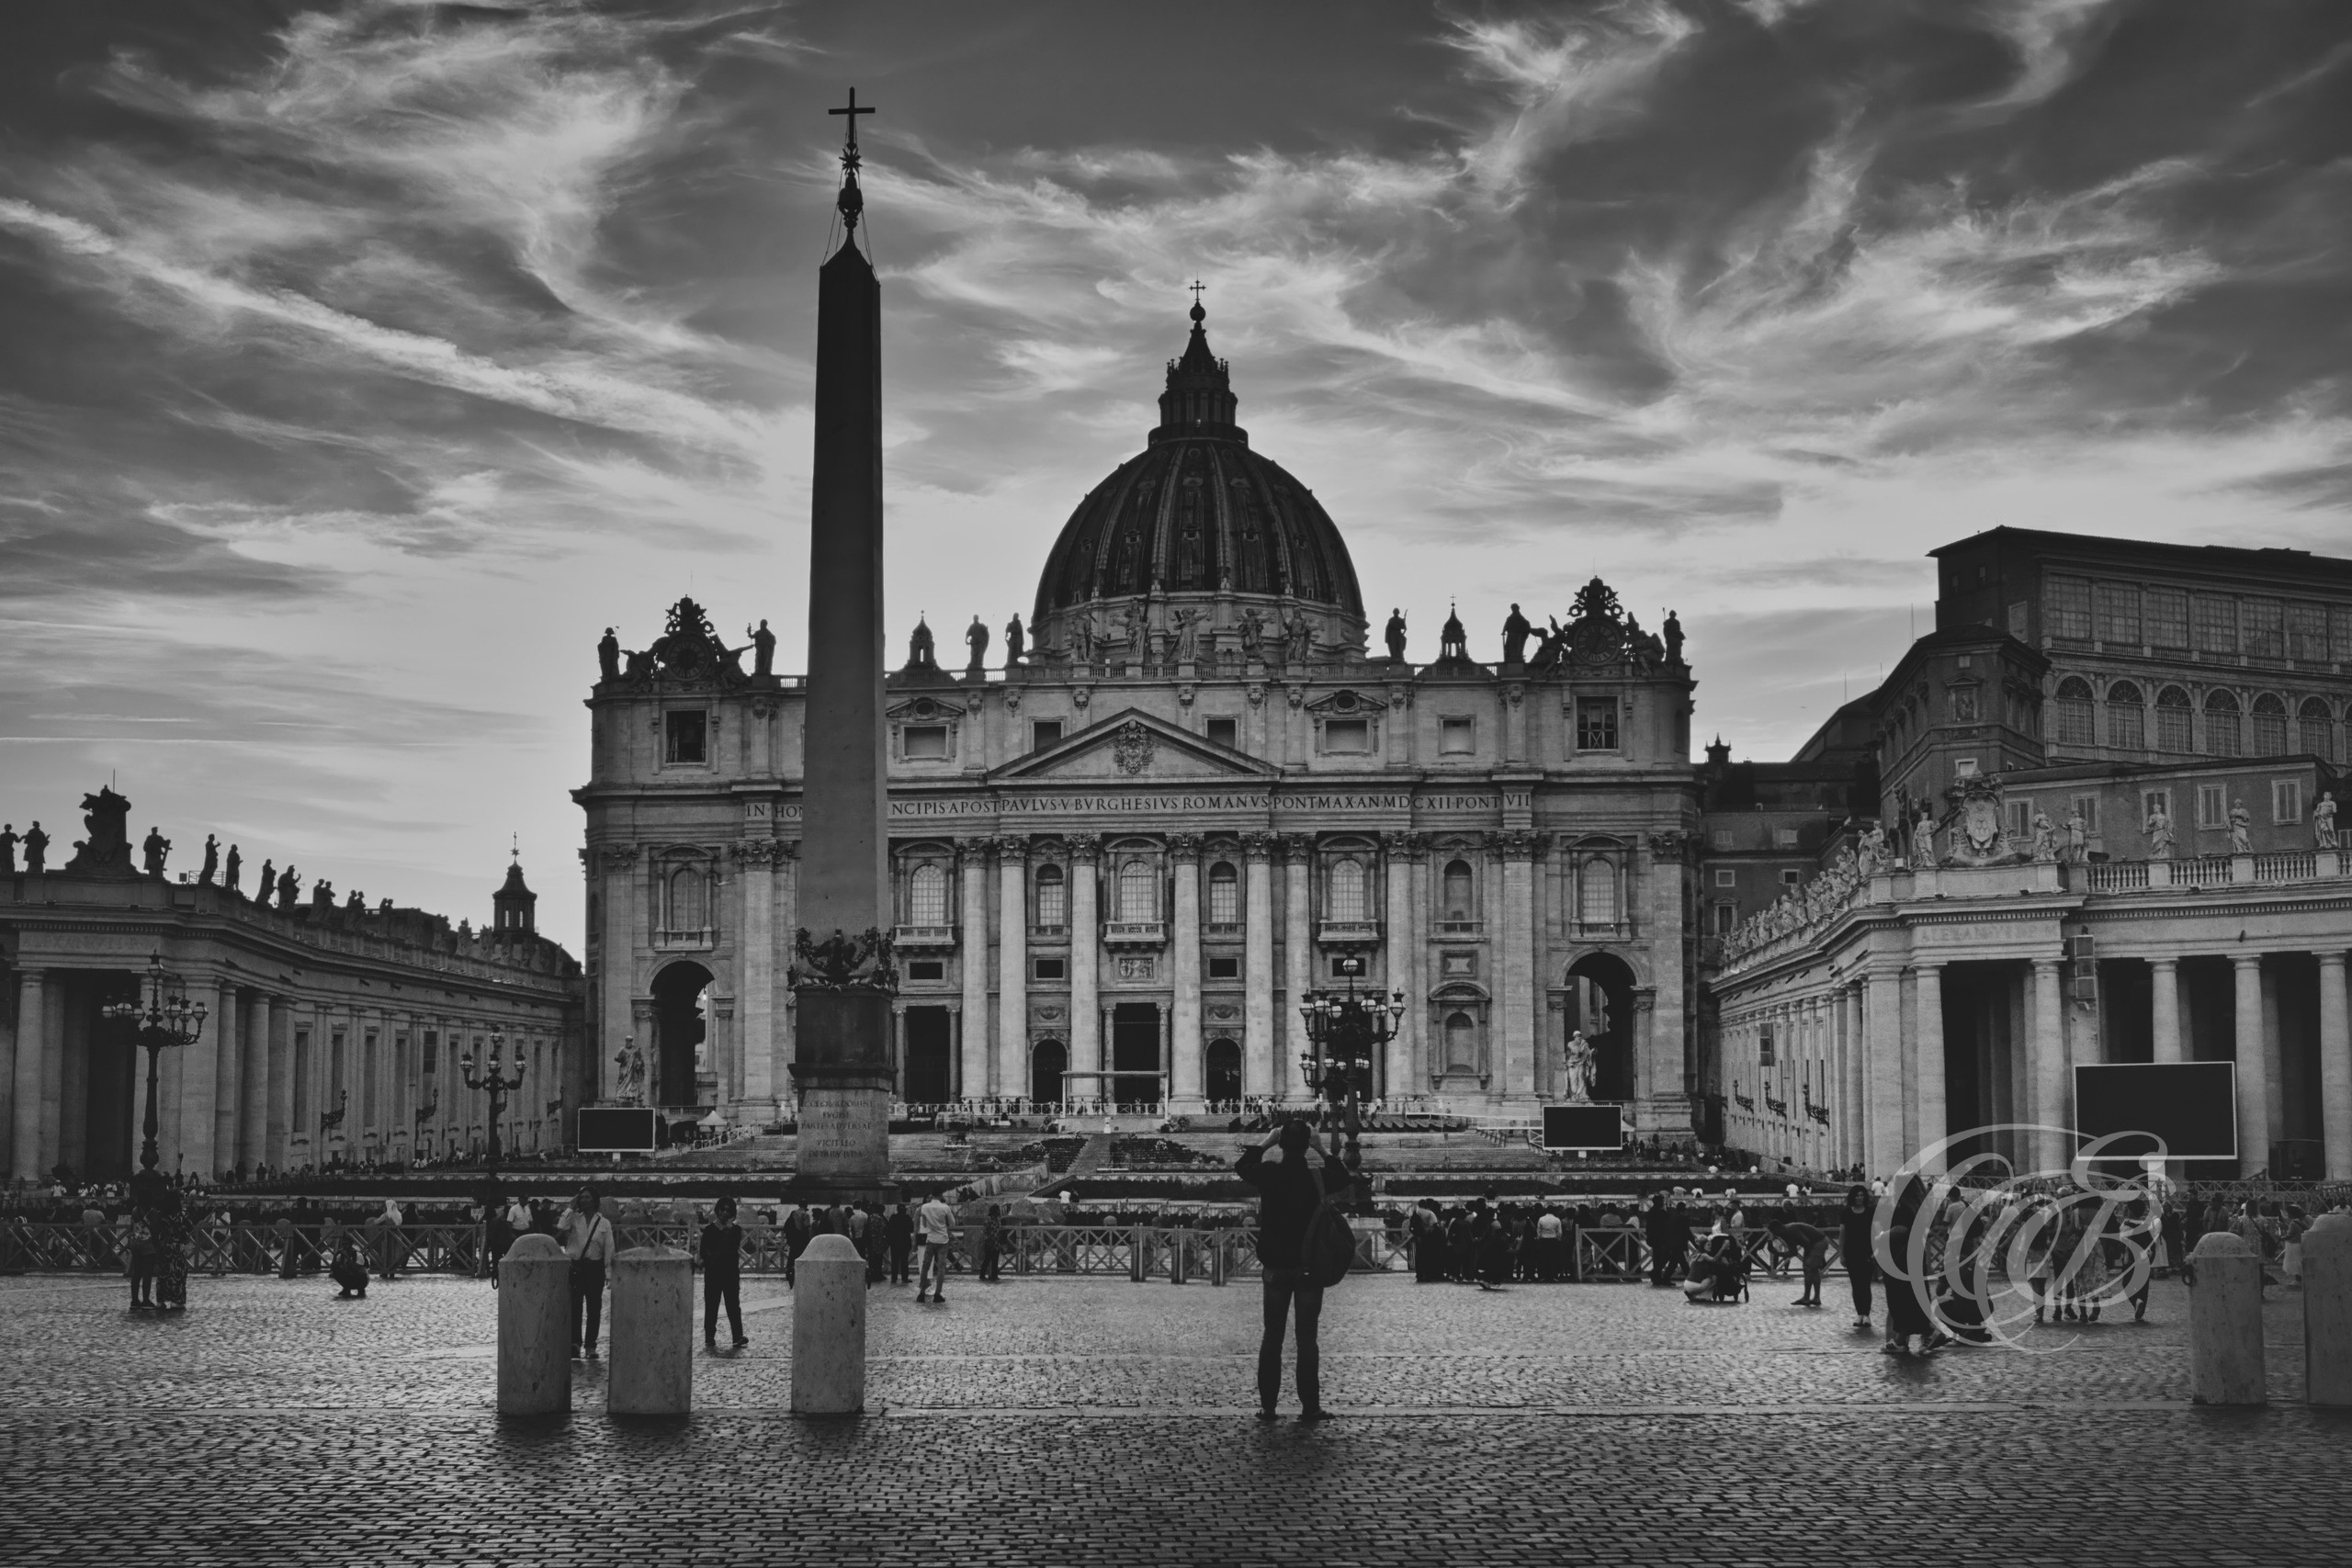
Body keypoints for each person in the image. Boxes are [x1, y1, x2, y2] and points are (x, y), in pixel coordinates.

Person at [1234, 1118, 1352, 1421]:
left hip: (1275, 1267)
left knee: (1271, 1337)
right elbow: (1343, 1174)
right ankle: (1310, 1407)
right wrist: (1322, 1148)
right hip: (1308, 1267)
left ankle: (1268, 1407)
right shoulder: (1318, 1177)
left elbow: (1242, 1166)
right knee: (1307, 1339)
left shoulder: (1270, 1174)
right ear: (1306, 1146)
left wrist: (1267, 1142)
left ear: (1282, 1144)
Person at [560, 1187, 616, 1359]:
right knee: (575, 1307)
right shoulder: (574, 1219)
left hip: (594, 1268)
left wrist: (609, 1274)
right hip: (576, 1267)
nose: (584, 1200)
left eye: (587, 1197)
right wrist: (571, 1206)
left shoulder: (604, 1223)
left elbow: (609, 1249)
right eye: (581, 1198)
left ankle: (591, 1345)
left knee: (594, 1308)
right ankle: (575, 1343)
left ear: (595, 1200)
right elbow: (561, 1225)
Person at [699, 1197, 748, 1349]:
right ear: (717, 1210)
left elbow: (733, 1248)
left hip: (731, 1273)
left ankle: (737, 1336)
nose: (725, 1213)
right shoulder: (709, 1230)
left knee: (733, 1305)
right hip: (713, 1273)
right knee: (711, 1305)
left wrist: (728, 1229)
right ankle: (709, 1336)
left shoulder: (735, 1230)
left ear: (732, 1213)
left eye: (728, 1210)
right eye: (722, 1209)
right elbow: (703, 1252)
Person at [1768, 1217, 1827, 1307]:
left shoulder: (1790, 1230)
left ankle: (1807, 1298)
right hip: (1819, 1241)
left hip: (1818, 1242)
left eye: (1774, 1232)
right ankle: (1815, 1298)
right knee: (1812, 1270)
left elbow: (1807, 1242)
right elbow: (1793, 1252)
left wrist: (1808, 1260)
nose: (1775, 1235)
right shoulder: (1785, 1233)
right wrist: (1777, 1254)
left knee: (1808, 1269)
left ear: (1779, 1228)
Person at [1838, 1185, 1875, 1330]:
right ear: (1852, 1197)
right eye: (1857, 1195)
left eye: (1862, 1195)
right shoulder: (1846, 1212)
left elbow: (1876, 1232)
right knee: (1855, 1284)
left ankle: (1866, 1314)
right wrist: (1841, 1254)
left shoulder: (1870, 1212)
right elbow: (1843, 1234)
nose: (1859, 1198)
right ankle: (1859, 1313)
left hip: (1867, 1252)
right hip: (1851, 1252)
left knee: (1866, 1284)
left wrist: (1876, 1251)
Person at [915, 1188, 956, 1303]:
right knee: (941, 1267)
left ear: (932, 1195)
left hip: (930, 1238)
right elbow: (952, 1223)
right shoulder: (945, 1207)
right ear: (941, 1195)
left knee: (925, 1266)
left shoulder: (924, 1207)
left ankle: (921, 1293)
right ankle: (938, 1293)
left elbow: (923, 1223)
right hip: (943, 1239)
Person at [885, 1201, 914, 1286]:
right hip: (905, 1242)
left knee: (894, 1260)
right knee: (904, 1261)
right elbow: (911, 1229)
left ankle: (894, 1278)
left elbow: (889, 1229)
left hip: (895, 1242)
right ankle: (904, 1278)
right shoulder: (907, 1218)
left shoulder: (893, 1217)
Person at [783, 1201, 812, 1287]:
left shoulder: (794, 1213)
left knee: (792, 1256)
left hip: (794, 1238)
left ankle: (790, 1274)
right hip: (802, 1238)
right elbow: (807, 1227)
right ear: (806, 1205)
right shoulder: (805, 1215)